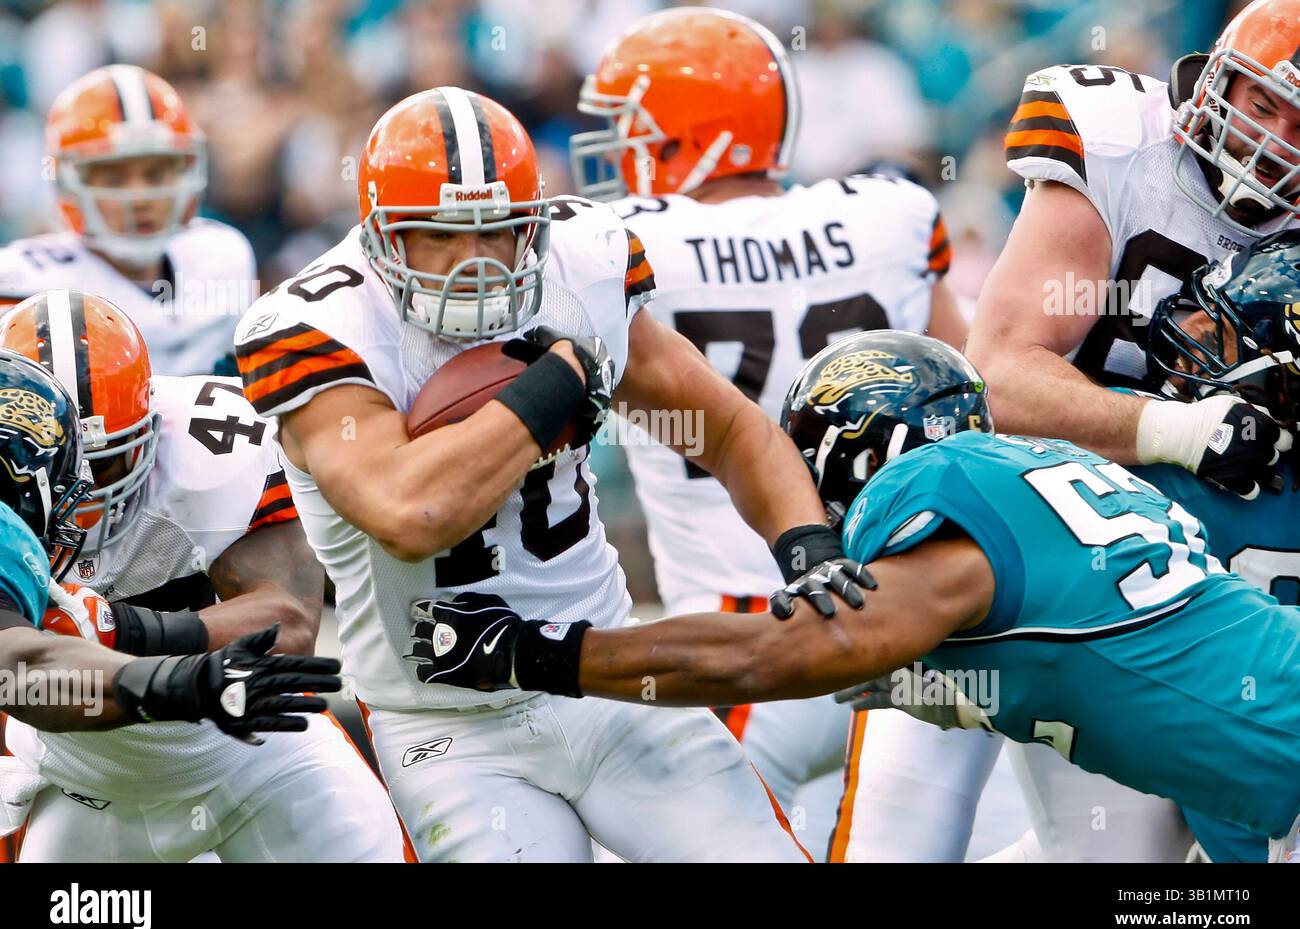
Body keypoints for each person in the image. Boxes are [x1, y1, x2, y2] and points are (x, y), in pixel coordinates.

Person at [233, 86, 865, 862]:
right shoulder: (322, 325)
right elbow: (411, 512)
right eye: (439, 233)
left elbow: (725, 427)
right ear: (380, 239)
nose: (475, 260)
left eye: (499, 230)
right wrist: (557, 380)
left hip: (603, 674)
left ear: (536, 222)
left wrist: (805, 543)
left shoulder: (583, 261)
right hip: (445, 725)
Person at [407, 329, 1300, 862]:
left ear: (867, 448)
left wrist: (540, 653)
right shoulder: (1049, 474)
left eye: (810, 452)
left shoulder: (943, 493)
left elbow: (779, 654)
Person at [848, 0, 1300, 862]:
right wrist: (1180, 427)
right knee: (907, 840)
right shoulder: (1123, 142)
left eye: (1299, 123)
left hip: (1153, 574)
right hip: (1024, 528)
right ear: (1212, 84)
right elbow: (1005, 373)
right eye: (1260, 103)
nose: (1275, 139)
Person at [568, 7, 966, 838]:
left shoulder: (624, 241)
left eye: (631, 130)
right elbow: (969, 390)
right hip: (905, 616)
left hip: (742, 641)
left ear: (694, 133)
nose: (614, 152)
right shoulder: (890, 212)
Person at [0, 290, 404, 863]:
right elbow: (18, 675)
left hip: (255, 757)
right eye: (65, 467)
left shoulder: (210, 451)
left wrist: (121, 628)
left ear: (150, 425)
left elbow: (288, 626)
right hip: (86, 788)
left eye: (106, 461)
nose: (84, 493)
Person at [0, 65, 255, 376]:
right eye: (114, 177)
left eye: (156, 173)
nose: (140, 197)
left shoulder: (221, 255)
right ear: (68, 182)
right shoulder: (27, 284)